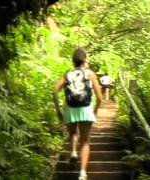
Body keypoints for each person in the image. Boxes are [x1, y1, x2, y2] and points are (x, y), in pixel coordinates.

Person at [54, 48, 102, 180]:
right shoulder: (90, 74)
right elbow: (100, 98)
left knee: (73, 133)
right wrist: (95, 111)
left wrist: (58, 109)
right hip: (86, 109)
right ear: (85, 59)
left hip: (70, 108)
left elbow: (55, 90)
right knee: (85, 141)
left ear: (73, 60)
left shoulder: (68, 74)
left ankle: (74, 151)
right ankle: (82, 173)